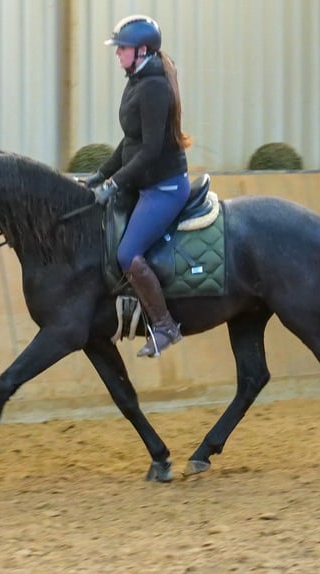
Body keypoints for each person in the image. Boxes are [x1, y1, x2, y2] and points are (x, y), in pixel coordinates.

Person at [85, 14, 192, 358]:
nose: (117, 54)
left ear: (141, 50)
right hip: (143, 181)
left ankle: (164, 326)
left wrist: (115, 183)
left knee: (127, 254)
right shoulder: (136, 79)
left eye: (122, 49)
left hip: (164, 188)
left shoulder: (155, 87)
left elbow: (149, 151)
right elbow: (130, 142)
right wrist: (100, 174)